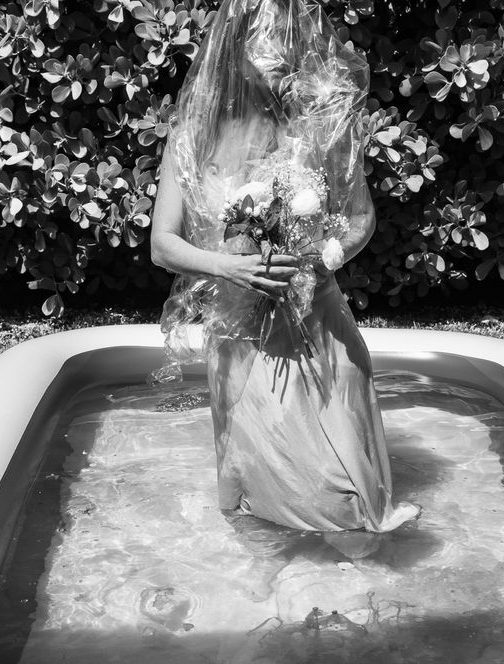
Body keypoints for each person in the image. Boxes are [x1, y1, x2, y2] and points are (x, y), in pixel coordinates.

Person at [150, 0, 421, 560]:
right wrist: (229, 266)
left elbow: (361, 219)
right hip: (240, 329)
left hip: (318, 319)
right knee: (262, 471)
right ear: (236, 46)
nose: (278, 54)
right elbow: (162, 245)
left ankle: (363, 574)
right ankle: (270, 578)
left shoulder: (318, 128)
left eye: (287, 39)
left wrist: (326, 254)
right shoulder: (194, 137)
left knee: (343, 470)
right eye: (266, 42)